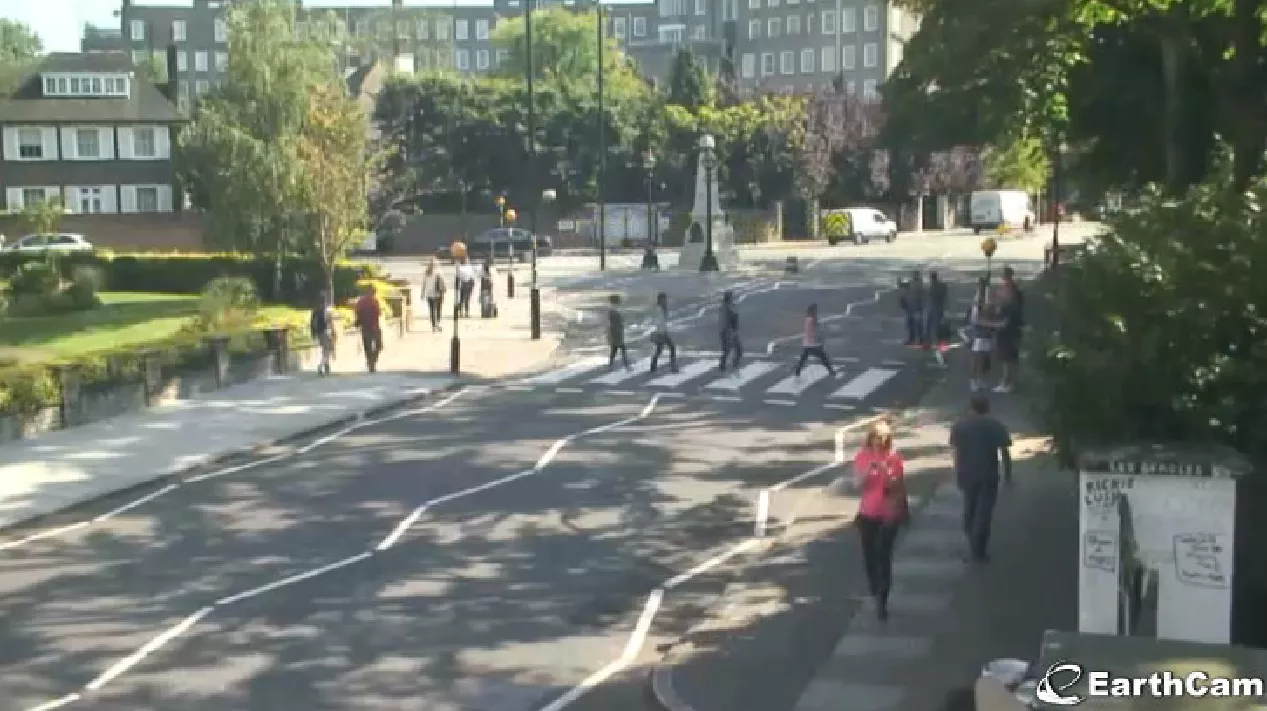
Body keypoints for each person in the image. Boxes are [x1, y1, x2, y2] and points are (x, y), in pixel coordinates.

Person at [853, 419, 908, 621]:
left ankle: (882, 600)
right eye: (875, 437)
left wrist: (884, 468)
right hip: (868, 513)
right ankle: (875, 587)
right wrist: (869, 470)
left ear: (887, 439)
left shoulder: (895, 458)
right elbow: (857, 484)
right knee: (869, 556)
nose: (878, 442)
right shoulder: (862, 456)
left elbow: (896, 485)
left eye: (882, 438)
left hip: (888, 515)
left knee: (883, 555)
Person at [949, 394, 1013, 563]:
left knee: (969, 508)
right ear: (988, 407)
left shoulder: (959, 426)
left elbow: (956, 451)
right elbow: (1005, 451)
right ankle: (980, 549)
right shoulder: (995, 425)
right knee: (984, 512)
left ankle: (972, 542)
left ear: (971, 407)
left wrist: (957, 471)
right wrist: (1008, 474)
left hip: (967, 473)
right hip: (988, 474)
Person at [993, 266, 1025, 393]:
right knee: (1011, 356)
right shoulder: (1013, 290)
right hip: (1012, 326)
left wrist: (999, 306)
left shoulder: (1012, 292)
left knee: (1006, 356)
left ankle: (1007, 382)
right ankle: (1011, 382)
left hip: (1008, 327)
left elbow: (1007, 307)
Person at [967, 278, 998, 392]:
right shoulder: (977, 302)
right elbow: (976, 319)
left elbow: (991, 309)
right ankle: (973, 380)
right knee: (976, 358)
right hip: (978, 335)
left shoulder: (987, 297)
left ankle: (979, 379)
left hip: (986, 334)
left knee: (983, 358)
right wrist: (993, 324)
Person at [794, 303, 836, 377]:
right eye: (815, 310)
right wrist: (821, 339)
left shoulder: (807, 319)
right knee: (823, 357)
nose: (816, 311)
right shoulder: (813, 320)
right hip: (814, 343)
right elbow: (816, 331)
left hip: (807, 343)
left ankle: (797, 370)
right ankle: (831, 370)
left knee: (803, 358)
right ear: (812, 311)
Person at [353, 284, 383, 373]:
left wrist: (358, 322)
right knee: (377, 345)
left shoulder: (361, 302)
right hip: (373, 327)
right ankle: (372, 362)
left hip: (367, 327)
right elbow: (378, 313)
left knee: (368, 346)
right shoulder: (374, 301)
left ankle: (371, 362)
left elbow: (357, 313)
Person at [649, 292, 678, 373]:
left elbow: (662, 321)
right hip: (661, 333)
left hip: (662, 332)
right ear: (661, 300)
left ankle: (653, 367)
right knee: (671, 348)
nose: (666, 301)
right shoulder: (659, 309)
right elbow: (658, 322)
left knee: (660, 350)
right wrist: (661, 332)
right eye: (664, 299)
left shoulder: (662, 308)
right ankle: (673, 366)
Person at [310, 291, 335, 376]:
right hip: (326, 332)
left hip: (320, 333)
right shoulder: (327, 310)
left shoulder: (315, 310)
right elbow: (330, 322)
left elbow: (312, 323)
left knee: (325, 350)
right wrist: (333, 331)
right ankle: (321, 366)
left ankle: (327, 367)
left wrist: (313, 333)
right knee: (327, 350)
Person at [899, 270, 925, 346]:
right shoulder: (913, 283)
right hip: (911, 307)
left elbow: (917, 293)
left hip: (916, 307)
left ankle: (918, 339)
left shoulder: (918, 284)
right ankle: (913, 339)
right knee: (911, 325)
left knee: (917, 325)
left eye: (915, 275)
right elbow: (905, 286)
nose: (914, 276)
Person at [925, 271, 948, 352]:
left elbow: (930, 295)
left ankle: (930, 342)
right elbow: (944, 295)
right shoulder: (941, 285)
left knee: (930, 326)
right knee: (935, 326)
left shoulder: (933, 286)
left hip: (933, 308)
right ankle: (935, 341)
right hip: (938, 308)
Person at [718, 290, 742, 370]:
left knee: (734, 349)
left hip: (727, 330)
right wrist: (731, 331)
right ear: (729, 298)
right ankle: (725, 364)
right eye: (732, 296)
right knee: (733, 348)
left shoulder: (727, 306)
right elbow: (727, 320)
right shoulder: (727, 308)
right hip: (728, 331)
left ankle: (727, 363)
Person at [606, 293, 630, 369]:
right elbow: (614, 320)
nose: (620, 301)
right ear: (616, 301)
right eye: (619, 300)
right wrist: (619, 328)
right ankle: (625, 362)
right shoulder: (613, 309)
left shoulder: (613, 308)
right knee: (621, 347)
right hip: (616, 331)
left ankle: (612, 363)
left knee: (615, 348)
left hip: (616, 330)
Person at [422, 258, 446, 332]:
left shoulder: (427, 272)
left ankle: (433, 326)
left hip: (429, 294)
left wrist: (422, 293)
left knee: (432, 310)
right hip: (438, 293)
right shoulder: (439, 272)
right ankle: (437, 324)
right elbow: (443, 283)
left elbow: (424, 283)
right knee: (438, 309)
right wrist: (444, 290)